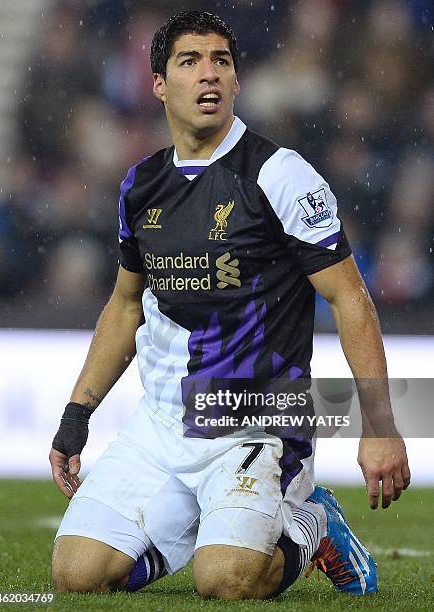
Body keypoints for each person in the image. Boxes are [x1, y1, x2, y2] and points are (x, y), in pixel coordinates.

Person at [49, 11, 410, 599]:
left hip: (257, 422)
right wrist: (75, 416)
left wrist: (381, 425)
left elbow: (351, 299)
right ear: (159, 84)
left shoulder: (281, 176)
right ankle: (206, 522)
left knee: (227, 582)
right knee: (77, 576)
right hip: (163, 424)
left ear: (238, 81)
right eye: (189, 62)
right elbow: (123, 306)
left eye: (221, 60)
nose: (208, 74)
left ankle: (310, 524)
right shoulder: (141, 187)